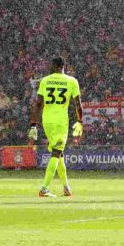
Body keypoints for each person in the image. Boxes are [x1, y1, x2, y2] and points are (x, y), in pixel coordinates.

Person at [28, 56, 83, 198]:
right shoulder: (71, 81)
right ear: (63, 66)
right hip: (60, 122)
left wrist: (34, 125)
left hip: (47, 121)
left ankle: (66, 187)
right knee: (56, 154)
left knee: (60, 155)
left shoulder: (45, 81)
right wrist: (80, 121)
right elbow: (78, 104)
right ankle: (44, 188)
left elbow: (38, 104)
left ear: (54, 66)